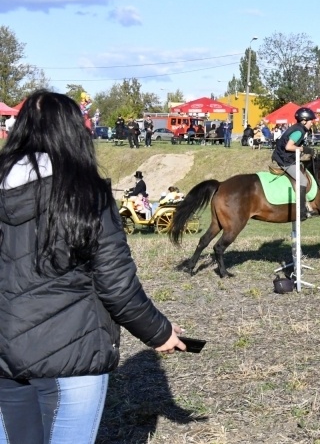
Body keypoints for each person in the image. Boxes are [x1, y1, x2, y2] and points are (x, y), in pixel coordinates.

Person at [0, 90, 185, 444]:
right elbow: (117, 285)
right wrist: (159, 332)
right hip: (72, 357)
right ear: (74, 132)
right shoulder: (87, 195)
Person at [272, 107, 317, 221]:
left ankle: (307, 206)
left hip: (286, 157)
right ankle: (301, 211)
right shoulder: (299, 131)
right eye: (311, 121)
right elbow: (289, 147)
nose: (312, 123)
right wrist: (304, 149)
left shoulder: (298, 128)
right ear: (304, 120)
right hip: (285, 160)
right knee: (303, 181)